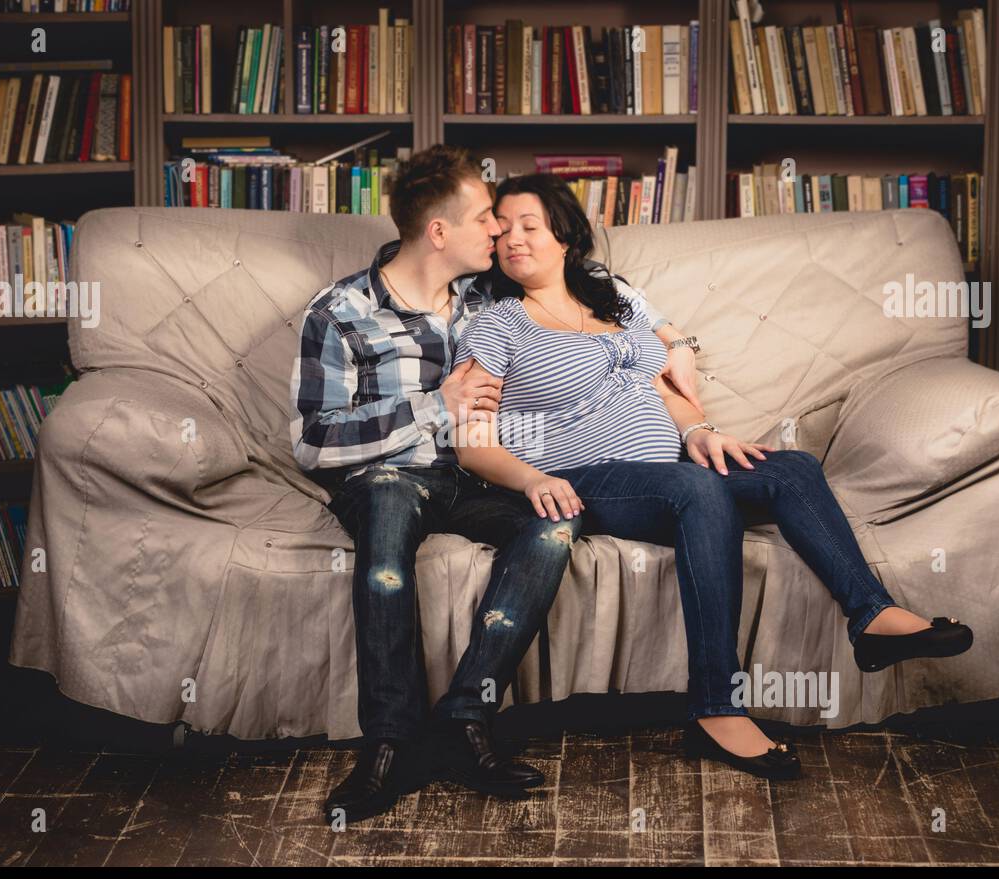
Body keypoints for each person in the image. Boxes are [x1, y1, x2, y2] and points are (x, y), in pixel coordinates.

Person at [449, 173, 975, 782]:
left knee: (791, 469)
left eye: (529, 226)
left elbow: (656, 388)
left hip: (666, 476)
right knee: (696, 488)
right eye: (502, 230)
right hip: (575, 478)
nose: (512, 239)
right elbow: (470, 445)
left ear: (565, 236)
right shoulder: (498, 324)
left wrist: (700, 431)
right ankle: (715, 708)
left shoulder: (613, 304)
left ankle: (871, 618)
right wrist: (529, 480)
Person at [290, 147, 706, 821]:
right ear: (439, 232)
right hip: (392, 475)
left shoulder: (490, 293)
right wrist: (434, 405)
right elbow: (313, 441)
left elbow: (597, 284)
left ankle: (466, 717)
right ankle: (389, 742)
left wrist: (677, 340)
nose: (501, 230)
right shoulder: (341, 311)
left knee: (556, 519)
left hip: (476, 475)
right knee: (390, 507)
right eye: (487, 217)